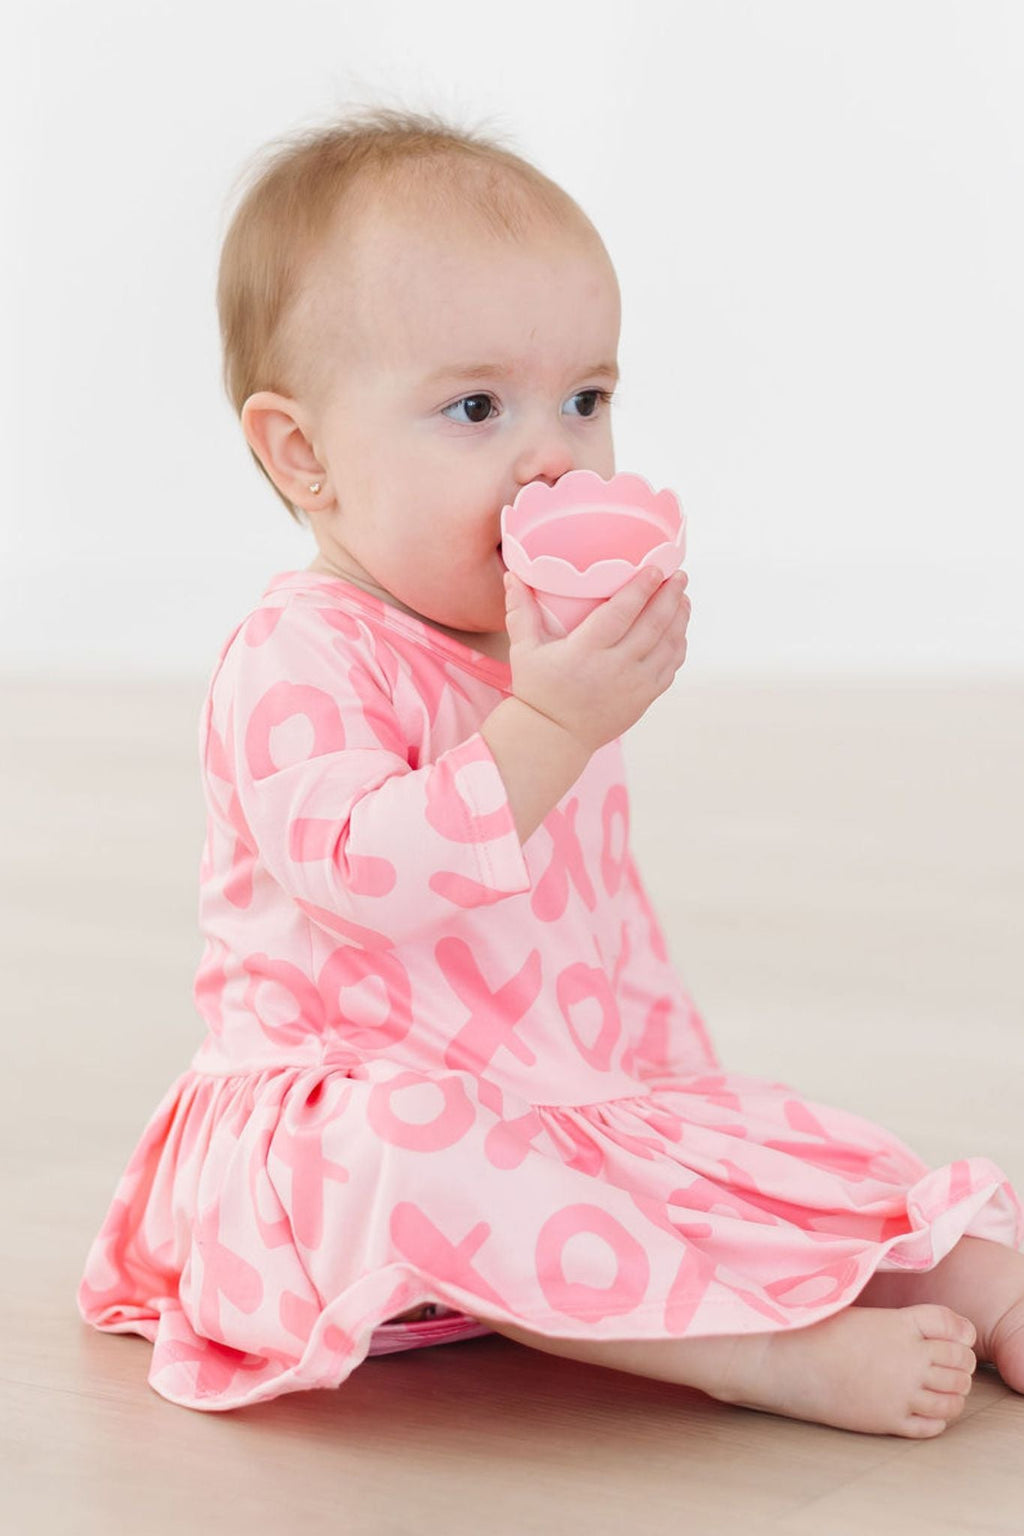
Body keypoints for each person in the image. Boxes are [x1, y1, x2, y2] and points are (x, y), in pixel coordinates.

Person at [77, 106, 1024, 1434]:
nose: (556, 456)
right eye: (476, 407)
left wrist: (662, 1101)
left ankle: (982, 1279)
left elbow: (593, 932)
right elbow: (366, 878)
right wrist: (556, 723)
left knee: (772, 1147)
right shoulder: (298, 653)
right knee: (415, 1146)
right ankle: (758, 1353)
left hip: (554, 1100)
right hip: (345, 1145)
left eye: (587, 399)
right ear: (304, 455)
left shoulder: (534, 658)